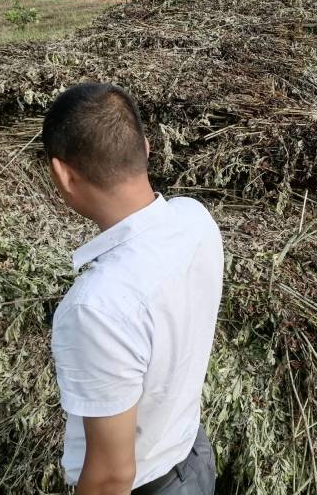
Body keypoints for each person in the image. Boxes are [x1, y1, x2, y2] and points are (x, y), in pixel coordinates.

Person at [43, 82, 224, 495]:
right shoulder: (195, 219)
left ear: (63, 174)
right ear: (145, 147)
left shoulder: (95, 308)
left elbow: (111, 477)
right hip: (193, 456)